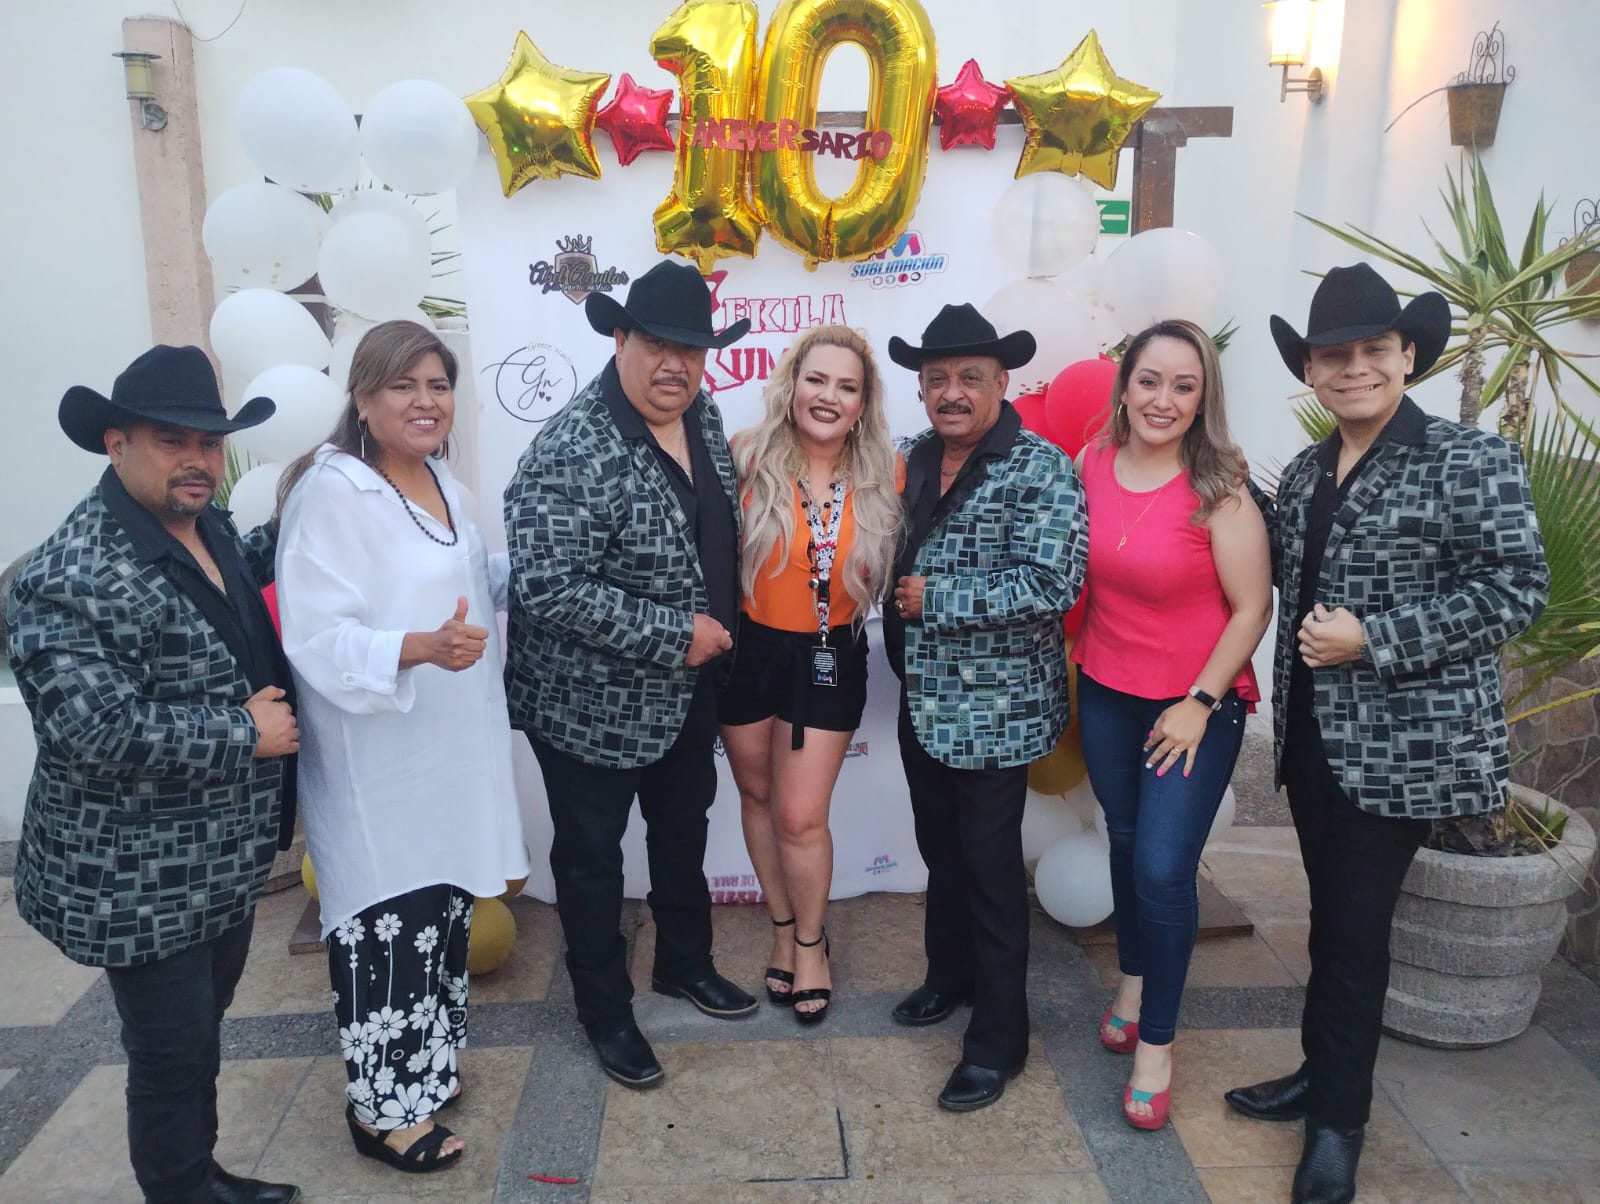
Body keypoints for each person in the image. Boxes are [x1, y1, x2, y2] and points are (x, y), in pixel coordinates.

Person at [1225, 264, 1548, 1204]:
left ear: (1408, 355)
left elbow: (1516, 588)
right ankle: (1319, 1074)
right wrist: (1236, 491)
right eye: (1334, 355)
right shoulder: (1309, 469)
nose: (1354, 367)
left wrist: (1379, 638)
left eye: (1374, 349)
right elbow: (1295, 560)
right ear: (1311, 370)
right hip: (1315, 743)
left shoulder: (1468, 458)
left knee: (1356, 932)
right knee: (1332, 924)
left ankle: (1338, 1125)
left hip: (1405, 751)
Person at [6, 346, 301, 1204]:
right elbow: (91, 726)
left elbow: (241, 589)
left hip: (221, 857)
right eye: (173, 441)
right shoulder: (68, 573)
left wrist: (319, 511)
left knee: (200, 1034)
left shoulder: (208, 525)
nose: (196, 460)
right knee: (172, 1053)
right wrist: (242, 733)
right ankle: (180, 1189)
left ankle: (197, 1174)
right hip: (137, 877)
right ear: (116, 443)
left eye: (210, 443)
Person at [273, 320, 529, 1174]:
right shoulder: (332, 492)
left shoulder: (441, 479)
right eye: (404, 386)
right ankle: (381, 1111)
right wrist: (416, 648)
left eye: (438, 386)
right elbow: (315, 636)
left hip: (449, 753)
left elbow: (469, 579)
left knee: (441, 921)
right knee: (389, 926)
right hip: (379, 768)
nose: (426, 402)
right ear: (362, 398)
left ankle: (426, 1072)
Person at [504, 260, 757, 1089]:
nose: (675, 365)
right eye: (656, 345)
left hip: (688, 689)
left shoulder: (702, 415)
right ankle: (605, 1012)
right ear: (619, 340)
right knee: (592, 864)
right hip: (587, 705)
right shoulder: (568, 448)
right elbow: (549, 587)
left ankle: (684, 962)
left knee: (683, 831)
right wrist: (673, 634)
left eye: (692, 349)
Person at [882, 303, 1088, 1112]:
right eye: (936, 378)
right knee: (942, 853)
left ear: (1002, 382)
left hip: (998, 711)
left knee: (994, 873)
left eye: (970, 377)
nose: (952, 392)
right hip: (922, 699)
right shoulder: (911, 457)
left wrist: (936, 598)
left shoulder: (1042, 467)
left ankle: (1000, 1041)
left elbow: (1051, 584)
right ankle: (950, 976)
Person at [1070, 320, 1272, 1131]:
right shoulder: (1091, 462)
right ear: (1126, 386)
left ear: (1202, 399)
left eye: (1184, 386)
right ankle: (1133, 978)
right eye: (1150, 380)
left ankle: (1157, 1043)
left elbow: (1252, 608)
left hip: (1196, 705)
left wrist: (1199, 702)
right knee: (1123, 841)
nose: (1163, 399)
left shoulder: (1222, 490)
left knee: (1161, 867)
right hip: (1106, 690)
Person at [719, 326, 902, 1026]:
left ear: (863, 403)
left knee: (800, 816)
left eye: (846, 386)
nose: (828, 396)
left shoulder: (888, 471)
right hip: (748, 650)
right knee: (757, 795)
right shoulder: (746, 455)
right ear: (792, 384)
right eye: (816, 379)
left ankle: (809, 943)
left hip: (829, 654)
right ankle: (779, 927)